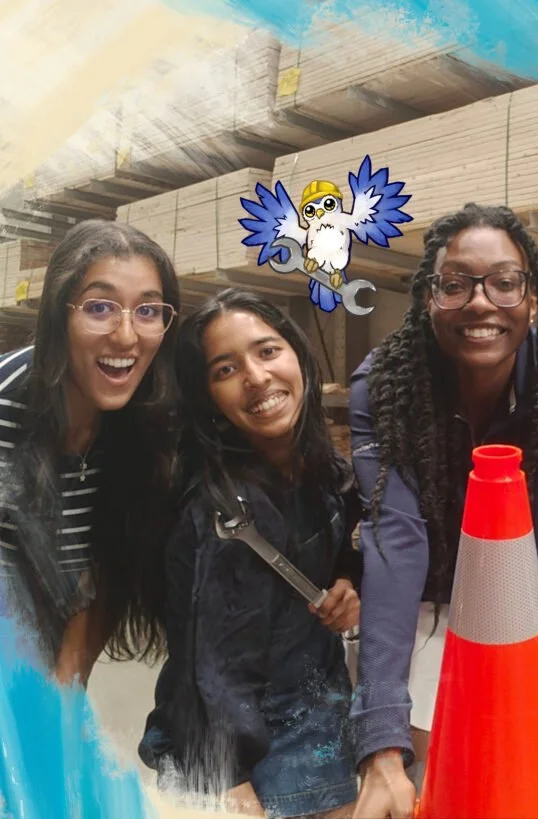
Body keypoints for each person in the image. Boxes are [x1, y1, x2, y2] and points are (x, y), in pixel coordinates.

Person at [347, 202, 538, 819]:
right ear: (428, 297)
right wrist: (380, 748)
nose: (481, 302)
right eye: (455, 284)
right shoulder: (381, 383)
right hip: (427, 598)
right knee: (436, 773)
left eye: (505, 282)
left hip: (529, 596)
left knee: (533, 773)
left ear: (533, 299)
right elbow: (394, 542)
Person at [138, 289, 362, 818]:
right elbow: (206, 666)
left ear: (298, 355)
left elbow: (349, 544)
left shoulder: (322, 465)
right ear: (207, 398)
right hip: (248, 752)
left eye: (267, 351)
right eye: (225, 369)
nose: (257, 377)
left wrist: (349, 586)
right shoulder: (223, 512)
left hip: (318, 716)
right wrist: (229, 783)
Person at [0, 219, 180, 685]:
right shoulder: (7, 402)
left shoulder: (149, 421)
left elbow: (110, 564)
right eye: (100, 307)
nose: (126, 336)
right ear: (60, 314)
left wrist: (64, 694)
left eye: (148, 310)